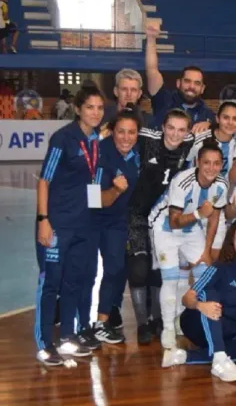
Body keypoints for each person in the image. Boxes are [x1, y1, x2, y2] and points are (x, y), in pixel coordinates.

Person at [34, 86, 105, 365]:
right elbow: (43, 181)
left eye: (100, 108)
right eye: (90, 107)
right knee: (50, 283)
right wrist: (44, 220)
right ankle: (44, 343)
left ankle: (66, 338)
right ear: (78, 109)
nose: (95, 112)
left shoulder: (96, 140)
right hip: (57, 225)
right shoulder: (62, 139)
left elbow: (92, 185)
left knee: (73, 282)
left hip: (82, 226)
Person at [161, 219, 236, 382]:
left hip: (228, 331)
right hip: (196, 323)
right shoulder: (220, 268)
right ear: (232, 243)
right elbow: (186, 298)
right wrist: (199, 305)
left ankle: (183, 356)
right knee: (210, 293)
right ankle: (218, 357)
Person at [148, 142, 229, 350]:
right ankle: (167, 328)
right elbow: (174, 221)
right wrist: (199, 214)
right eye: (206, 163)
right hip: (165, 227)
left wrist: (207, 250)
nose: (211, 168)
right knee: (172, 277)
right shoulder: (182, 181)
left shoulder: (221, 185)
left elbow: (214, 219)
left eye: (216, 164)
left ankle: (183, 321)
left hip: (192, 227)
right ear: (197, 163)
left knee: (205, 273)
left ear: (222, 165)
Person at [126, 109, 194, 344]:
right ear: (163, 127)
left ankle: (156, 319)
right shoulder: (148, 138)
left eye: (181, 129)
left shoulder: (189, 143)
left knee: (158, 271)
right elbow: (124, 129)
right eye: (171, 128)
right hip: (137, 214)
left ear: (187, 132)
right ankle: (142, 324)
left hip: (161, 219)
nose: (176, 134)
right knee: (138, 268)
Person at [79, 108, 142, 345]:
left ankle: (103, 320)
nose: (126, 137)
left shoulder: (138, 153)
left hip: (118, 222)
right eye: (121, 132)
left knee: (117, 269)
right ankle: (84, 323)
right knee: (88, 272)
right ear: (112, 132)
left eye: (131, 132)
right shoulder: (100, 154)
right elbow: (95, 200)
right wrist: (116, 190)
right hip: (92, 221)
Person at [188, 101, 236, 257]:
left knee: (218, 256)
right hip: (200, 203)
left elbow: (235, 178)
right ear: (217, 119)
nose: (230, 122)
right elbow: (189, 169)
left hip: (227, 205)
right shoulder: (200, 140)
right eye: (226, 117)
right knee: (195, 256)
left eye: (235, 119)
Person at [145, 21, 215, 132]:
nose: (191, 86)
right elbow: (152, 70)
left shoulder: (209, 115)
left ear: (202, 89)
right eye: (187, 81)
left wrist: (210, 125)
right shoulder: (164, 100)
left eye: (197, 83)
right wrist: (151, 39)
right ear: (178, 83)